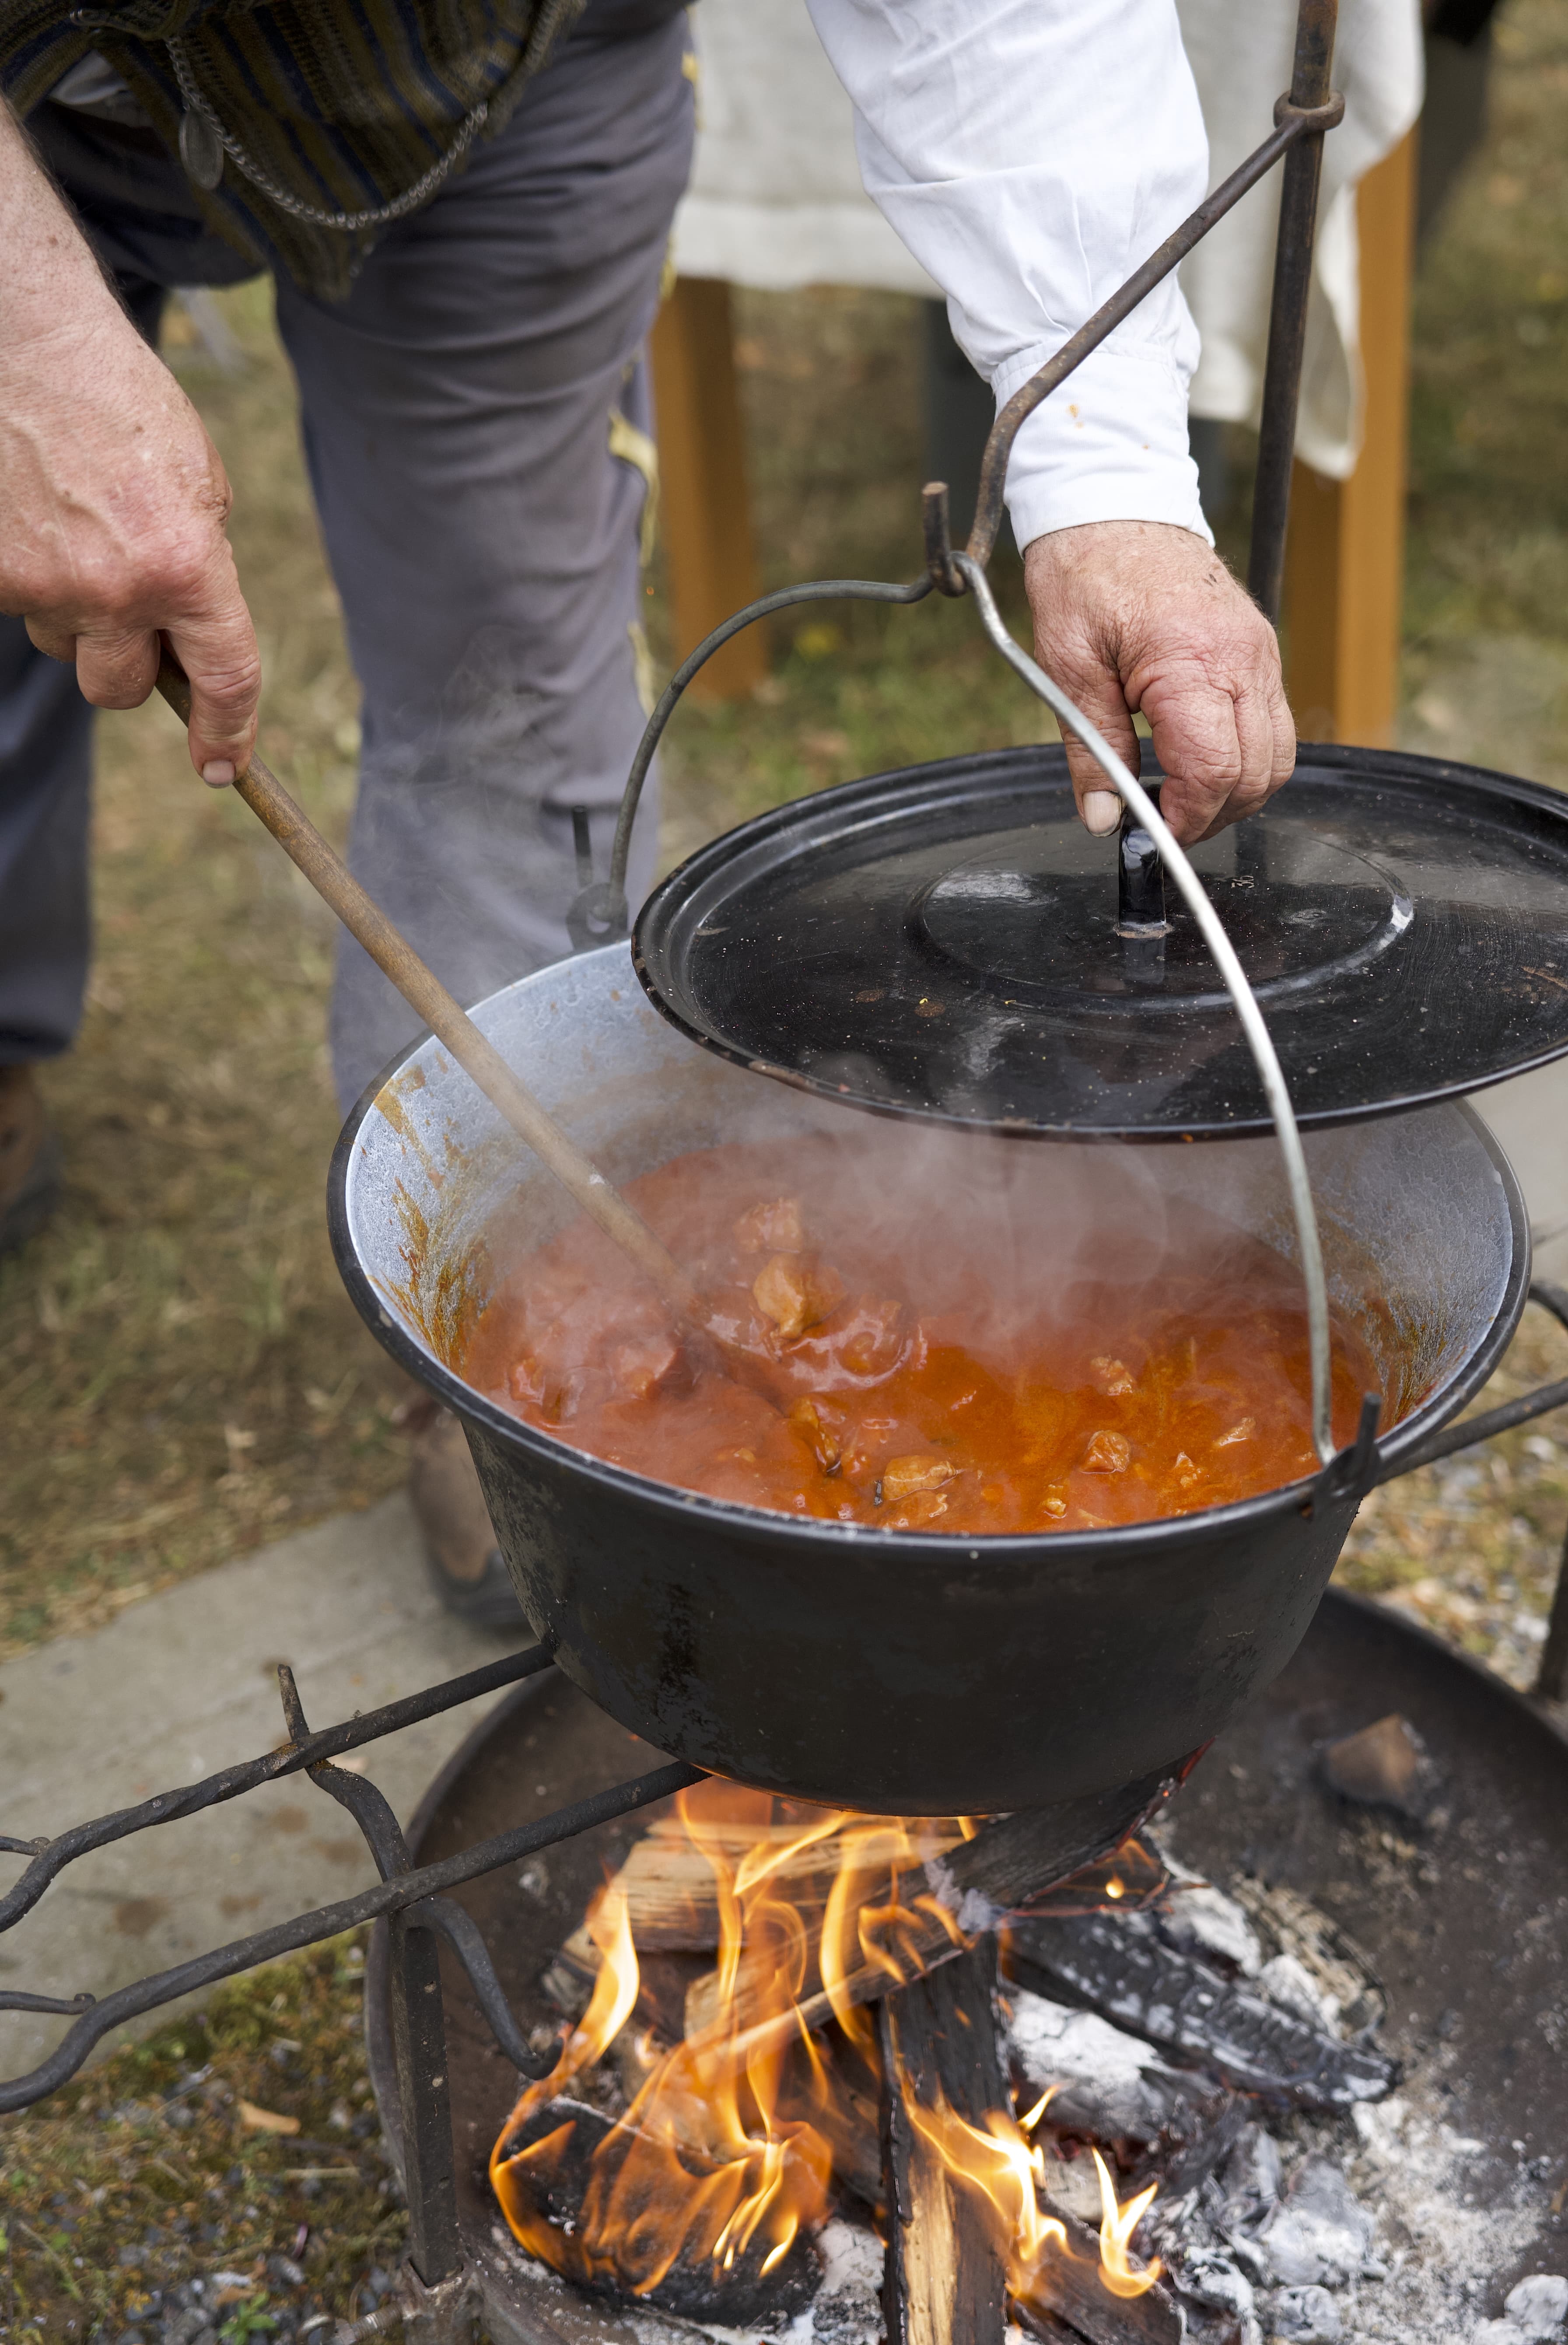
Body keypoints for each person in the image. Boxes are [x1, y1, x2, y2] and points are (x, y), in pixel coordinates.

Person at [0, 0, 1296, 1617]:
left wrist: (1107, 481)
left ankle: (538, 1321)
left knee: (508, 678)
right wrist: (25, 345)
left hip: (493, 80)